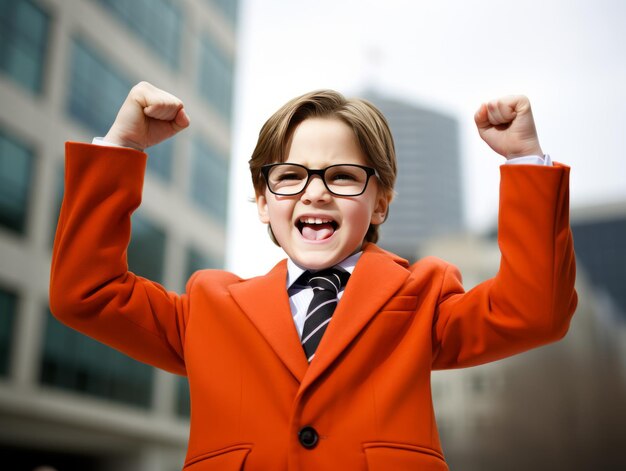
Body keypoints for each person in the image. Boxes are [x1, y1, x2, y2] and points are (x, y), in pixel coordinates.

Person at [49, 81, 577, 470]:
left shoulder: (424, 297)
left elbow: (536, 312)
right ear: (262, 202)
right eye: (291, 177)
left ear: (380, 203)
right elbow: (84, 293)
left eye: (344, 176)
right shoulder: (208, 308)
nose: (315, 192)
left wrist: (525, 162)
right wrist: (122, 148)